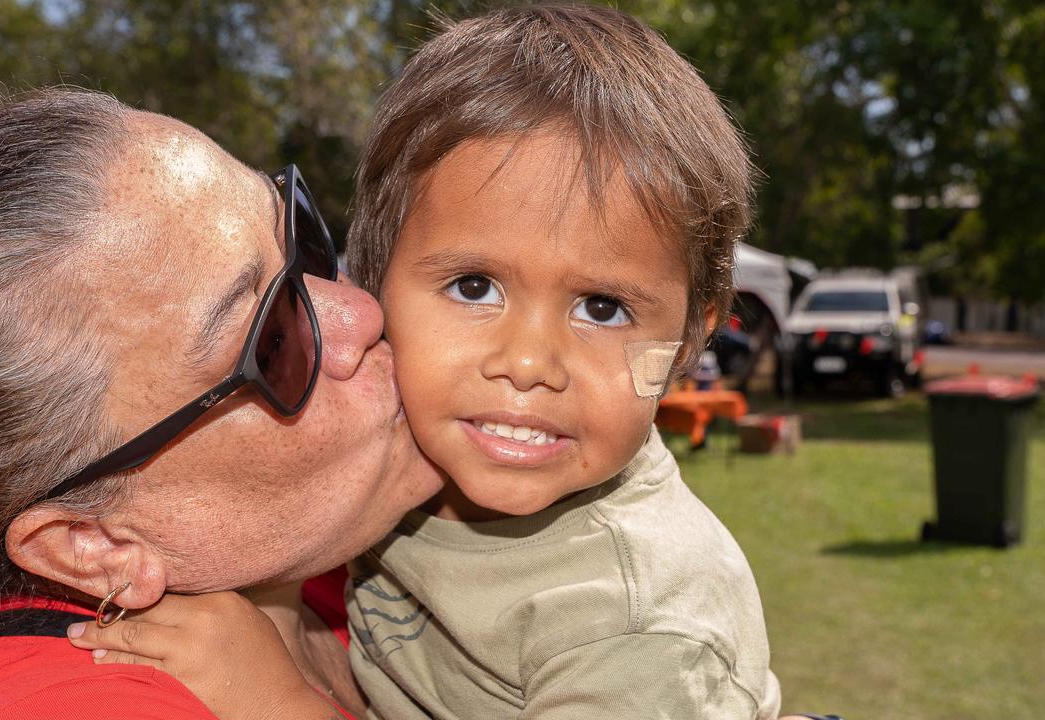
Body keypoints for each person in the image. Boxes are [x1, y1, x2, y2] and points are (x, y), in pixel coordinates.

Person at [70, 5, 791, 720]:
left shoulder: (638, 630)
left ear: (687, 343)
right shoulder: (402, 481)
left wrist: (275, 699)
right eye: (473, 287)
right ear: (374, 283)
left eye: (601, 308)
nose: (529, 363)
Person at [0, 87, 443, 719]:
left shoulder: (367, 563)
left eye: (300, 236)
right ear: (91, 544)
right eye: (271, 345)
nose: (361, 311)